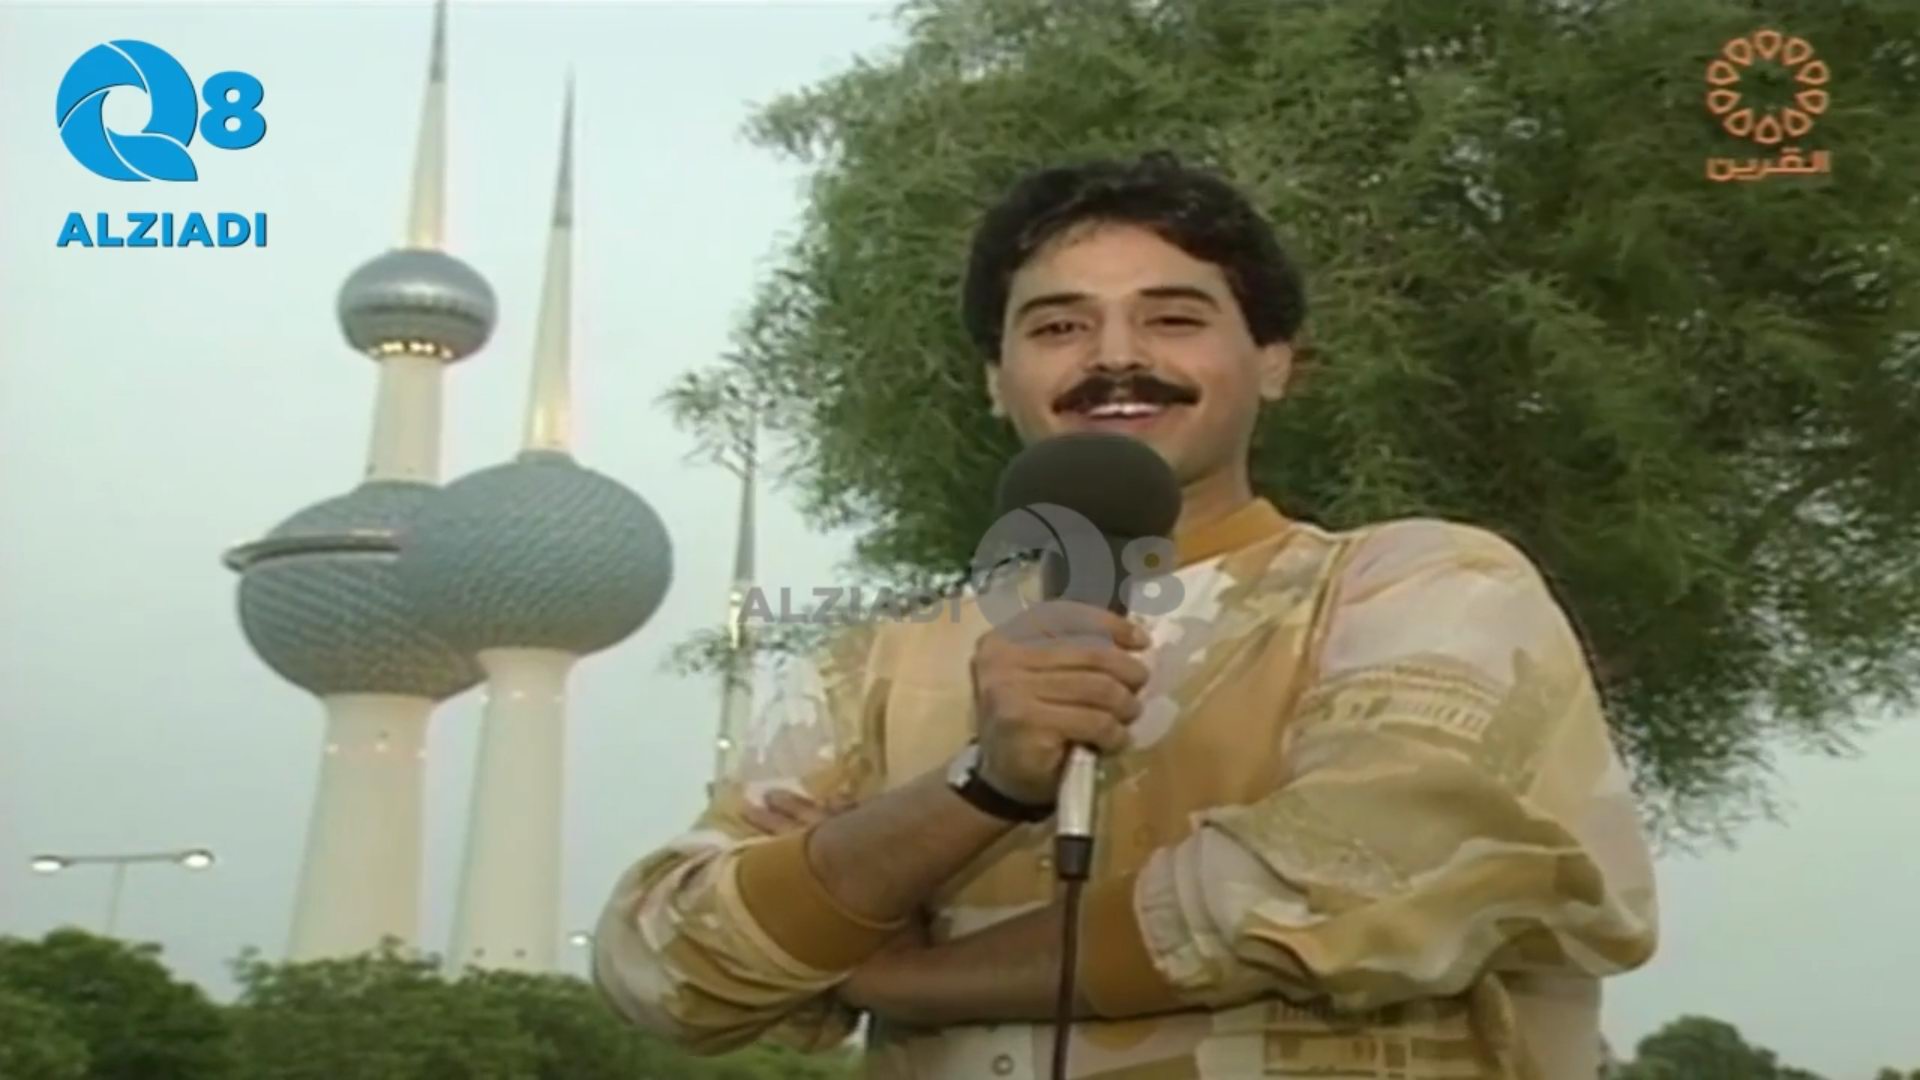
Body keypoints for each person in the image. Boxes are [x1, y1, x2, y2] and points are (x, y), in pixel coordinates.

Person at [590, 152, 1659, 1079]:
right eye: (1058, 326)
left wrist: (891, 971)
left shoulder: (1419, 584)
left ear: (1275, 361)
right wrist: (981, 788)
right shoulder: (875, 666)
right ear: (996, 380)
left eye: (1173, 318)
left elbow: (1351, 887)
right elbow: (666, 964)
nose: (1112, 357)